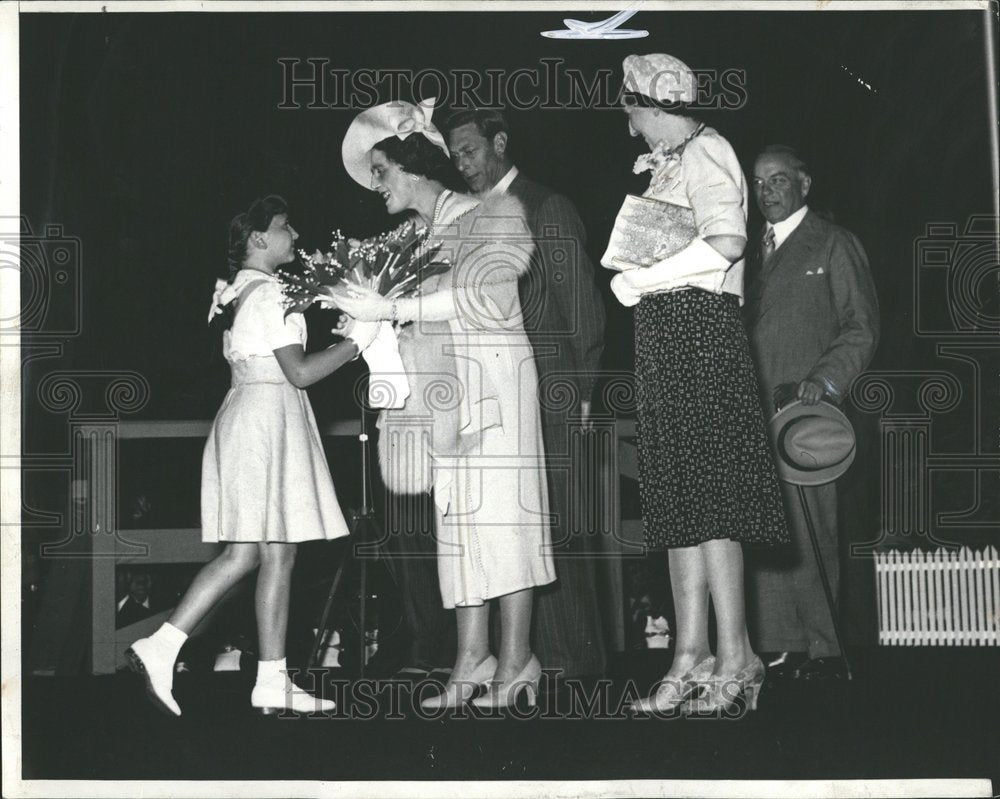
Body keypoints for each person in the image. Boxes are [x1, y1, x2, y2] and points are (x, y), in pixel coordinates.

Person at [336, 99, 555, 709]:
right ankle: (470, 658)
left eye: (382, 170)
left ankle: (517, 660)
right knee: (457, 524)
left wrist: (395, 310)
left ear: (412, 165)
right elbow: (421, 320)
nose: (376, 184)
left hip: (497, 381)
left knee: (506, 518)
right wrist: (377, 329)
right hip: (448, 392)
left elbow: (489, 297)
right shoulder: (417, 236)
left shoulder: (488, 213)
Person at [126, 195, 377, 716]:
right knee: (252, 554)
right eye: (285, 227)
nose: (295, 234)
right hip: (265, 420)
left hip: (255, 415)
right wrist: (360, 342)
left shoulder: (241, 292)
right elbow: (302, 373)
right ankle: (163, 645)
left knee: (275, 553)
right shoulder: (267, 295)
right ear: (259, 239)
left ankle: (269, 678)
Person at [606, 54, 788, 715]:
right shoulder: (668, 162)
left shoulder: (708, 150)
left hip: (700, 332)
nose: (630, 128)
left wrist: (639, 281)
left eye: (631, 112)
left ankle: (739, 655)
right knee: (678, 498)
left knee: (712, 499)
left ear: (652, 106)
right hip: (663, 334)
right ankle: (690, 653)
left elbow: (727, 241)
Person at [443, 108, 608, 682]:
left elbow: (582, 308)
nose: (461, 165)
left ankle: (577, 665)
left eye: (469, 151)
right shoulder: (466, 217)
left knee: (559, 524)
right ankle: (524, 661)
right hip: (496, 394)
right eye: (454, 155)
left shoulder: (546, 205)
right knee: (513, 535)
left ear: (501, 142)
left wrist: (582, 393)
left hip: (552, 390)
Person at [744, 145, 879, 681]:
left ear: (804, 183)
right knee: (766, 529)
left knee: (812, 527)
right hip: (750, 410)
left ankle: (826, 650)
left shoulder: (834, 242)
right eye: (758, 183)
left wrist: (823, 381)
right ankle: (780, 645)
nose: (766, 191)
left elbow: (861, 327)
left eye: (778, 179)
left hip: (806, 415)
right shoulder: (746, 251)